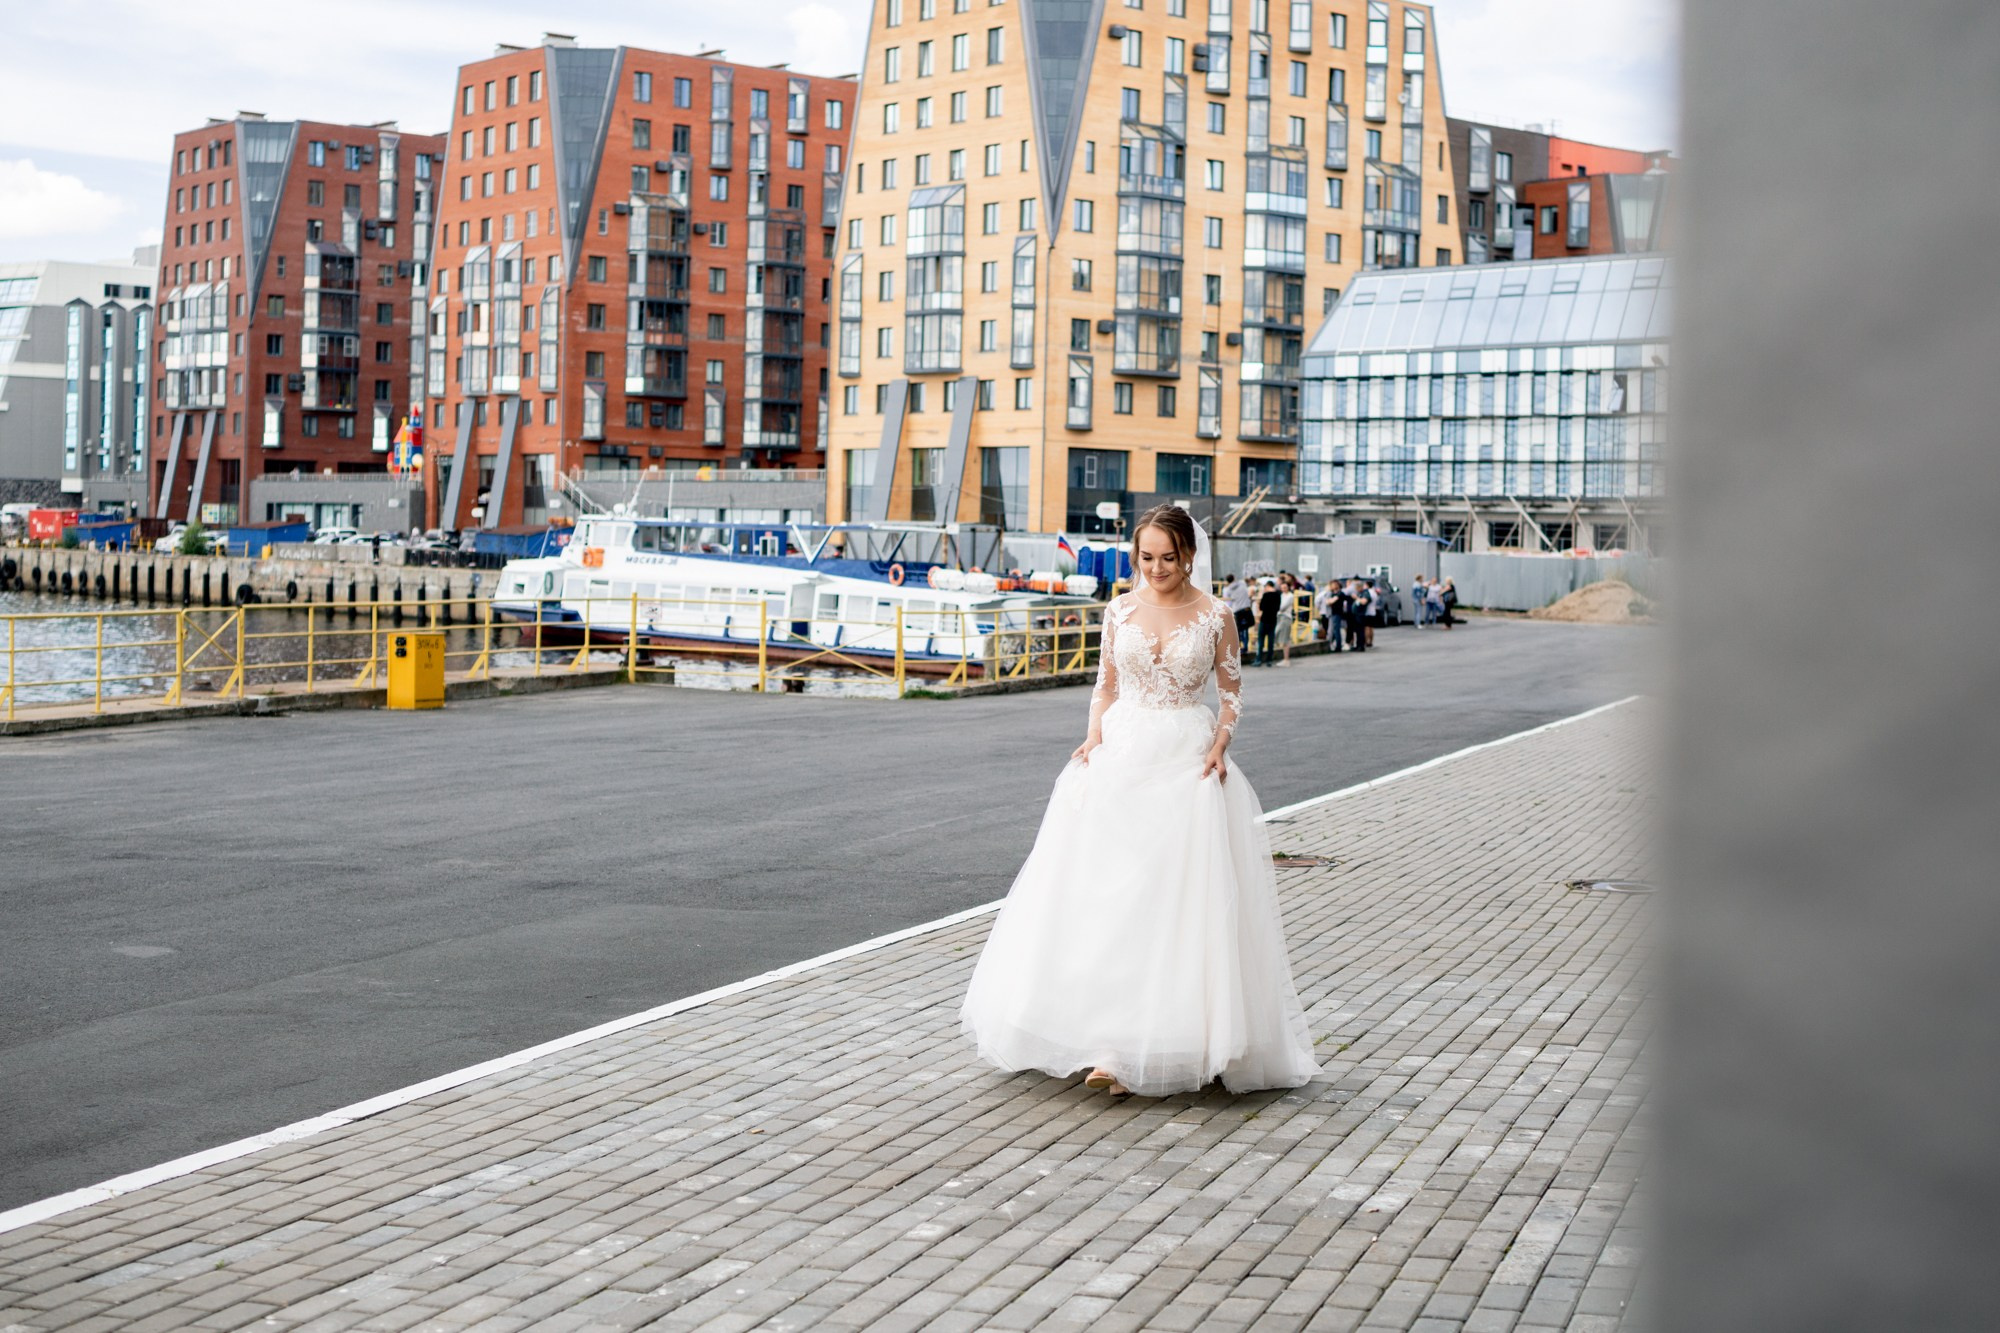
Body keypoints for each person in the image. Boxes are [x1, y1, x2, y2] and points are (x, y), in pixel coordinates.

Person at [961, 505, 1319, 1099]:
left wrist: (1222, 742)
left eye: (1168, 557)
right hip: (1120, 754)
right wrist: (1093, 734)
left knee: (1169, 903)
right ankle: (1098, 1037)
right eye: (1146, 557)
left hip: (1185, 755)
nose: (1156, 568)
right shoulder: (1119, 609)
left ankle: (1151, 1042)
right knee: (1101, 897)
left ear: (1189, 556)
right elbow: (1104, 684)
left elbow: (1232, 693)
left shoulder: (1215, 615)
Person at [1254, 578, 1283, 666]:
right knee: (1270, 641)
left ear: (1267, 586)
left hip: (1264, 619)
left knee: (1261, 640)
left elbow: (1261, 607)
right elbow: (1278, 608)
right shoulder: (1278, 595)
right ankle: (1269, 660)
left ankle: (1259, 659)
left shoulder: (1266, 595)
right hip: (1273, 619)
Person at [1223, 571, 1255, 646]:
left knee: (1238, 629)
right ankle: (1245, 646)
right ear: (1234, 578)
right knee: (1250, 623)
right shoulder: (1242, 583)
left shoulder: (1228, 589)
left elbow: (1229, 601)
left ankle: (1238, 645)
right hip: (1246, 608)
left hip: (1236, 610)